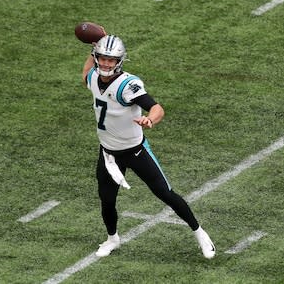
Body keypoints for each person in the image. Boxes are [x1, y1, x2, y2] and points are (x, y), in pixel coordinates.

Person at [81, 33, 216, 259]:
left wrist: (149, 119)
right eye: (102, 58)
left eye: (110, 60)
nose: (105, 63)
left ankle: (199, 232)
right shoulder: (94, 77)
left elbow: (156, 107)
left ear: (119, 61)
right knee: (107, 199)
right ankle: (112, 238)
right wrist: (93, 45)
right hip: (108, 154)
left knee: (165, 193)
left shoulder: (127, 84)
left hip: (135, 151)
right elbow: (85, 73)